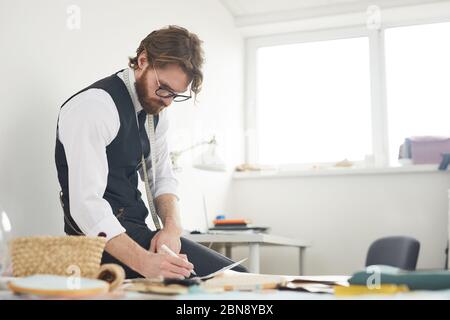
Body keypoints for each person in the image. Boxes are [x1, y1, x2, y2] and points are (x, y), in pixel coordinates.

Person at [55, 25, 247, 279]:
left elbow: (163, 178)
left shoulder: (156, 113)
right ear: (143, 60)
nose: (167, 101)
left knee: (237, 276)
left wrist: (171, 228)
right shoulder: (94, 108)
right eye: (164, 88)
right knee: (233, 279)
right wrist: (144, 262)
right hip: (94, 243)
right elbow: (85, 207)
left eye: (175, 95)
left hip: (136, 231)